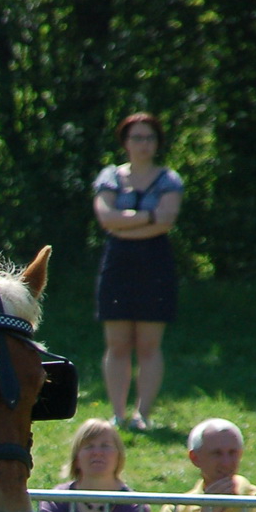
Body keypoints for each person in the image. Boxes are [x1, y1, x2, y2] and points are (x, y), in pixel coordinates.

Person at [93, 112, 184, 433]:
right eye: (136, 138)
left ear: (157, 143)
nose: (143, 144)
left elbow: (167, 219)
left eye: (149, 138)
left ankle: (142, 414)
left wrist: (126, 219)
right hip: (117, 261)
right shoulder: (109, 177)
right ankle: (118, 413)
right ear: (125, 142)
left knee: (148, 344)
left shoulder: (169, 179)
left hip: (155, 261)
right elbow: (106, 219)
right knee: (116, 343)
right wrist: (147, 217)